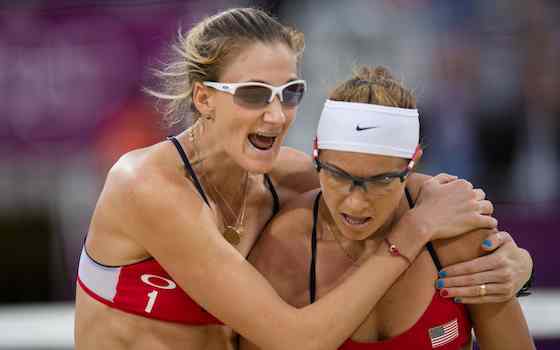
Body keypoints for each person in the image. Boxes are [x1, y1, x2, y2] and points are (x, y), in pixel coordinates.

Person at [74, 8, 533, 350]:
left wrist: (512, 263)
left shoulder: (282, 176)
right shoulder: (146, 184)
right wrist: (413, 233)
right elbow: (296, 341)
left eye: (290, 93)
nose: (276, 115)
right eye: (253, 94)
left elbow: (389, 180)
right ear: (204, 97)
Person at [243, 66, 535, 350]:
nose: (355, 202)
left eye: (380, 180)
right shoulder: (285, 247)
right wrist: (414, 229)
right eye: (337, 175)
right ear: (315, 154)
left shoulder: (455, 236)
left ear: (413, 163)